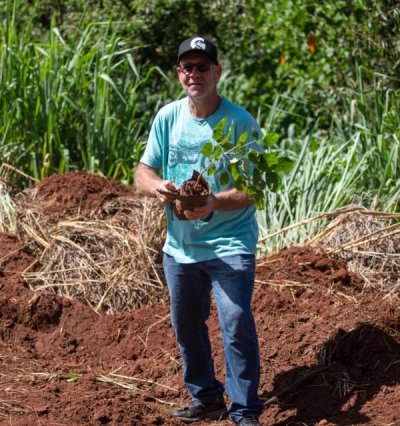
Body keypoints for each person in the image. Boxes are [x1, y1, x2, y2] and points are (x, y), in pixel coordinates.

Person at [134, 36, 263, 426]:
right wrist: (157, 186)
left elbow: (254, 188)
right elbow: (143, 170)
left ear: (217, 72)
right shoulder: (168, 117)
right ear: (179, 74)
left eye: (203, 67)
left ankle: (243, 410)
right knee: (187, 325)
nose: (195, 74)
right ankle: (207, 398)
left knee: (236, 321)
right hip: (181, 246)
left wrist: (213, 203)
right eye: (188, 67)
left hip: (229, 242)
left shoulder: (240, 122)